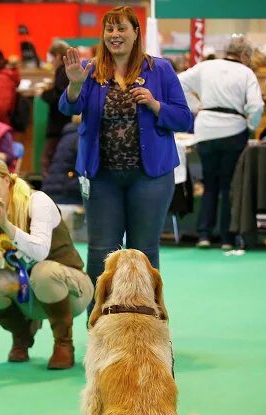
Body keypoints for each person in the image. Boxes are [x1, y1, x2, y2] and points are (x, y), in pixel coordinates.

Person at [59, 5, 192, 307]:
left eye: (121, 29)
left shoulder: (160, 70)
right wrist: (75, 84)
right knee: (100, 253)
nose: (115, 35)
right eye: (110, 29)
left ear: (136, 33)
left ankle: (148, 325)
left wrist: (156, 105)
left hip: (151, 177)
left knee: (143, 253)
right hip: (101, 177)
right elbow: (67, 109)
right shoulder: (90, 71)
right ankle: (99, 330)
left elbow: (185, 119)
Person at [0, 155, 93, 369]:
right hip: (27, 291)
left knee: (44, 272)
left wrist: (6, 225)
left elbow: (39, 252)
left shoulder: (37, 201)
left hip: (72, 290)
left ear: (7, 180)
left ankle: (64, 343)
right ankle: (22, 337)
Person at [178, 37, 264, 250]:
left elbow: (177, 82)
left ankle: (204, 235)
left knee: (209, 184)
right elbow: (256, 106)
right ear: (244, 56)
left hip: (206, 129)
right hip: (234, 131)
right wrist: (250, 123)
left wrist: (196, 106)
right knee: (228, 186)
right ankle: (227, 238)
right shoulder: (246, 73)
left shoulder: (205, 66)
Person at [39, 40, 72, 172]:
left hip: (58, 127)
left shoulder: (62, 70)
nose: (50, 62)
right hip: (65, 126)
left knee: (49, 162)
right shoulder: (69, 70)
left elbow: (60, 98)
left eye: (51, 58)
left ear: (58, 56)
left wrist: (44, 93)